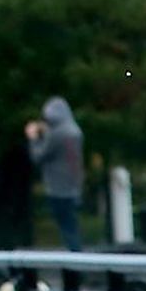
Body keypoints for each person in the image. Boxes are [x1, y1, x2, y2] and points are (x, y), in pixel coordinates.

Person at [25, 97, 87, 251]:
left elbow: (38, 156)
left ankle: (75, 260)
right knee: (72, 225)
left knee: (67, 227)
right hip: (74, 184)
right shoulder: (74, 131)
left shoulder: (57, 134)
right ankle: (77, 256)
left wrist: (33, 139)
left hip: (58, 187)